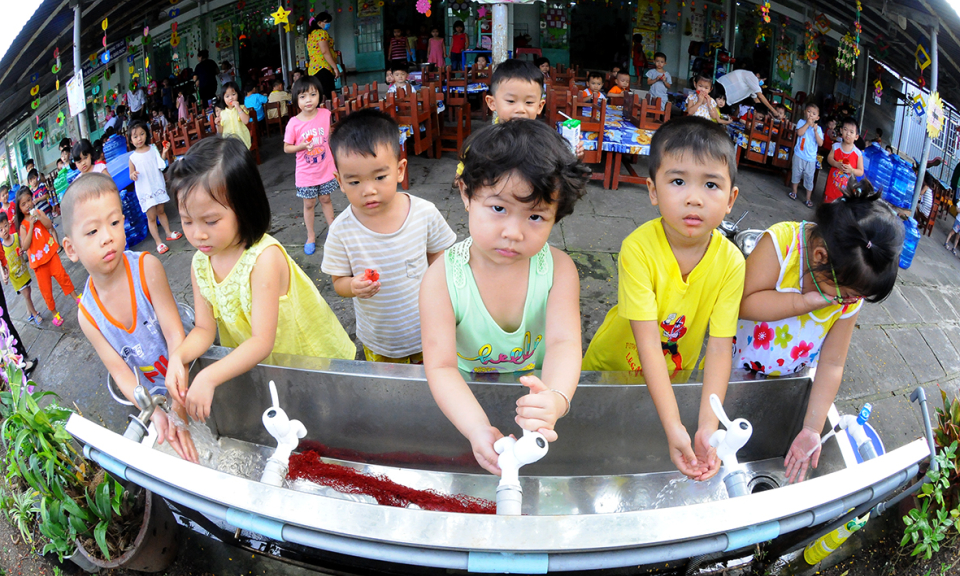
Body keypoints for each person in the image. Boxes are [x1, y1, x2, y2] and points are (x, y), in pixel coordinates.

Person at [420, 120, 589, 475]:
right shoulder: (442, 278)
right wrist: (476, 429)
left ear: (556, 215)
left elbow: (563, 343)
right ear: (466, 194)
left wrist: (556, 398)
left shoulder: (558, 270)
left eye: (536, 216)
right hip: (466, 397)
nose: (513, 232)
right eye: (498, 208)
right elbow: (441, 365)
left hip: (537, 392)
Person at [582, 116, 745, 481]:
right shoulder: (638, 249)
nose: (693, 197)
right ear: (652, 190)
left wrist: (707, 427)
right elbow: (647, 345)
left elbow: (720, 348)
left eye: (711, 185)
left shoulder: (733, 263)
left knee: (635, 453)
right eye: (677, 181)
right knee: (595, 448)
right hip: (609, 369)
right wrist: (674, 428)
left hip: (672, 376)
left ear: (731, 198)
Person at [166, 136, 355, 422]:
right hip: (267, 369)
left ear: (244, 207)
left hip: (308, 359)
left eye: (211, 221)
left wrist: (209, 376)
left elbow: (261, 340)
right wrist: (178, 357)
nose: (197, 234)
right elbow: (204, 329)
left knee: (333, 415)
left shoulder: (263, 259)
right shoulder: (200, 263)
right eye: (187, 221)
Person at [736, 179, 902, 483]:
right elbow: (742, 304)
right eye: (847, 296)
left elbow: (832, 362)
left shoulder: (850, 289)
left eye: (857, 298)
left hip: (793, 377)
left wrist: (812, 428)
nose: (850, 303)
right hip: (739, 368)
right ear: (819, 257)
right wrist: (802, 302)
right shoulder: (782, 244)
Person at [60, 174, 198, 463]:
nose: (107, 237)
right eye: (92, 231)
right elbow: (120, 372)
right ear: (71, 248)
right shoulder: (88, 316)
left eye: (114, 223)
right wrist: (155, 412)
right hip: (153, 394)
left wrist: (179, 402)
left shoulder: (147, 269)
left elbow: (176, 336)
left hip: (190, 371)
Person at [324, 109, 456, 363]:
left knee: (433, 385)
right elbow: (338, 281)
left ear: (399, 169)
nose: (369, 190)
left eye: (380, 176)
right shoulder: (342, 230)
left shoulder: (424, 212)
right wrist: (352, 286)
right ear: (339, 181)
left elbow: (441, 257)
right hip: (380, 338)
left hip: (428, 330)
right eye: (354, 182)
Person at [283, 76, 336, 254]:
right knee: (309, 204)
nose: (308, 100)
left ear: (320, 96)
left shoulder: (325, 115)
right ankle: (311, 236)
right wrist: (302, 147)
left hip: (325, 168)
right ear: (296, 100)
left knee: (326, 199)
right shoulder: (294, 123)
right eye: (303, 96)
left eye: (313, 95)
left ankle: (335, 232)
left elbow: (328, 138)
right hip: (306, 173)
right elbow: (286, 148)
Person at [15, 188, 78, 327]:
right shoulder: (23, 226)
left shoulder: (38, 212)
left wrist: (39, 217)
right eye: (23, 204)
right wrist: (31, 226)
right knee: (46, 290)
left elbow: (49, 225)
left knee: (62, 276)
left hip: (50, 255)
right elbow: (25, 246)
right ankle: (54, 312)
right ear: (19, 208)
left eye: (29, 201)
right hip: (39, 264)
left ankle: (76, 297)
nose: (28, 205)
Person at [127, 120, 182, 254]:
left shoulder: (152, 149)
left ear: (146, 134)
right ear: (130, 140)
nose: (139, 138)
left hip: (156, 185)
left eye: (141, 134)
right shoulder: (132, 158)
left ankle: (168, 232)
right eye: (135, 136)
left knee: (161, 211)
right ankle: (158, 242)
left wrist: (164, 152)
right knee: (151, 217)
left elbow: (161, 164)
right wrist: (133, 175)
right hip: (145, 190)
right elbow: (131, 175)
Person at [0, 213, 41, 327]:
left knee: (29, 292)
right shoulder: (1, 248)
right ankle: (35, 313)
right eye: (0, 229)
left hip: (23, 271)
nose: (4, 231)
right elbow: (2, 264)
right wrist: (5, 276)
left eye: (5, 226)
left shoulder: (15, 237)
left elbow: (23, 246)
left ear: (9, 224)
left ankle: (29, 312)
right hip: (16, 277)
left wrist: (23, 250)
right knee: (26, 294)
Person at [790, 103, 825, 208]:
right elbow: (799, 133)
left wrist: (815, 131)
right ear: (805, 112)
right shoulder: (801, 122)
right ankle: (794, 192)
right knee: (796, 173)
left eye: (814, 114)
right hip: (799, 154)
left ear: (817, 118)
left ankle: (808, 198)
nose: (810, 115)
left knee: (809, 178)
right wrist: (807, 124)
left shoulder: (818, 129)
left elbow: (820, 143)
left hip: (810, 159)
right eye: (809, 112)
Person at [716, 67, 783, 120]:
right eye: (762, 80)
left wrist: (766, 112)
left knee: (723, 116)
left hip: (725, 96)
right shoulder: (752, 77)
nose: (761, 82)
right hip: (721, 90)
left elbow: (756, 100)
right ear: (758, 75)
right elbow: (760, 96)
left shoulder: (751, 83)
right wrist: (773, 110)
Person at [823, 117, 864, 204]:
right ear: (841, 131)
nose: (848, 134)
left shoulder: (858, 153)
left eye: (851, 132)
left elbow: (861, 171)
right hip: (832, 186)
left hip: (845, 192)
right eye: (845, 130)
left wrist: (851, 170)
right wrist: (836, 164)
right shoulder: (836, 146)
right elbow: (829, 158)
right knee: (827, 208)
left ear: (856, 137)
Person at [307, 12, 339, 100]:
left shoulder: (312, 34)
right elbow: (325, 52)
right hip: (323, 68)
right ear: (319, 22)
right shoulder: (321, 33)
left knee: (319, 97)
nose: (328, 24)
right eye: (326, 22)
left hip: (314, 70)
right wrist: (335, 68)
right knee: (328, 97)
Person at [215, 82, 251, 149]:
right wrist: (218, 125)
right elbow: (220, 132)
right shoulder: (222, 113)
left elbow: (246, 121)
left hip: (242, 140)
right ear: (223, 99)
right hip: (228, 144)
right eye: (227, 96)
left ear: (238, 94)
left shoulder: (242, 108)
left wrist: (238, 107)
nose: (231, 98)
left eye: (233, 94)